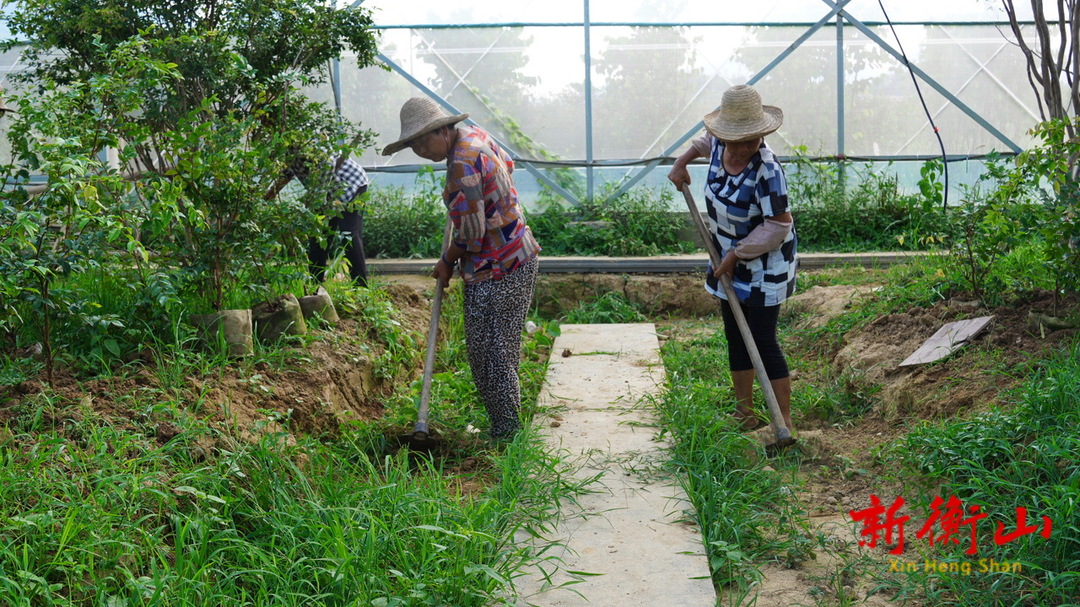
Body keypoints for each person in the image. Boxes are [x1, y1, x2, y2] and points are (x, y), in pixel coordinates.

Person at [383, 97, 541, 440]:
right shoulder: (474, 135)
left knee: (488, 350)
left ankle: (506, 431)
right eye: (413, 145)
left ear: (442, 130)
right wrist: (477, 199)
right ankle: (508, 425)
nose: (421, 151)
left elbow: (471, 233)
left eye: (424, 141)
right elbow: (508, 165)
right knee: (502, 345)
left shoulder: (460, 163)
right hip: (519, 253)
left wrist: (446, 260)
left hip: (496, 266)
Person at [667, 84, 797, 432]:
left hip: (764, 263)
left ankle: (782, 420)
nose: (742, 147)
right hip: (725, 254)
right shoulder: (717, 144)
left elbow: (778, 224)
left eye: (750, 139)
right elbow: (699, 144)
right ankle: (745, 411)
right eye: (735, 139)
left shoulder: (767, 171)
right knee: (735, 333)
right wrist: (680, 164)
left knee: (762, 336)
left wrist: (736, 255)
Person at [267, 145, 371, 287]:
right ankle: (315, 284)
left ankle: (360, 285)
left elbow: (327, 163)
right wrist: (267, 197)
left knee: (348, 233)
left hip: (349, 185)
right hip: (324, 193)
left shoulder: (303, 135)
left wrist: (317, 197)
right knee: (319, 236)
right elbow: (286, 174)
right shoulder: (286, 143)